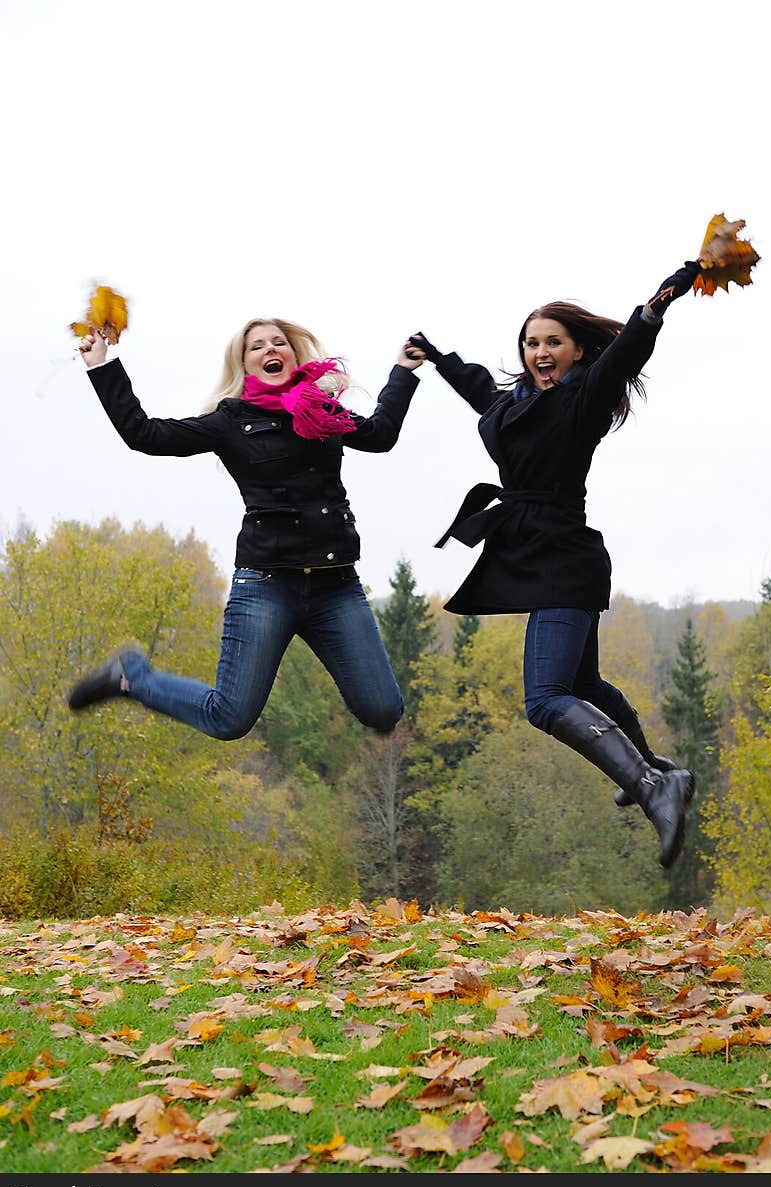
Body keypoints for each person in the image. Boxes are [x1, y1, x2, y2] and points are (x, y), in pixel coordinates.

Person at [405, 261, 702, 868]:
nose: (540, 351)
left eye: (552, 343)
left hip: (565, 559)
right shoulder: (512, 402)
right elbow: (479, 388)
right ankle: (654, 770)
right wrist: (437, 359)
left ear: (577, 350)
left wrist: (661, 300)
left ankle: (652, 786)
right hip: (533, 555)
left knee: (544, 700)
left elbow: (628, 352)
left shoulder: (584, 397)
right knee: (583, 686)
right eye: (531, 342)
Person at [68, 316, 423, 743]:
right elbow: (145, 434)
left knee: (384, 709)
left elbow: (381, 435)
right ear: (244, 364)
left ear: (294, 355)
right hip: (266, 586)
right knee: (228, 719)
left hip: (336, 585)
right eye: (257, 346)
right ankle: (133, 677)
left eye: (279, 343)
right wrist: (101, 367)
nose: (270, 350)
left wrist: (402, 371)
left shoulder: (324, 412)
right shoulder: (229, 422)